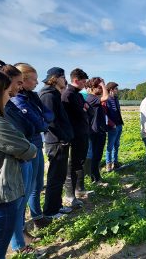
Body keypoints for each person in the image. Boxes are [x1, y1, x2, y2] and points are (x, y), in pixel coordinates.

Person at [0, 69, 37, 259]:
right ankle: (19, 244)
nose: (10, 94)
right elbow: (26, 148)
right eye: (6, 90)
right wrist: (28, 147)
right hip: (2, 192)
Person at [12, 63, 54, 229]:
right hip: (28, 148)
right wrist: (42, 121)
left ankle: (37, 216)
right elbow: (41, 125)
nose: (37, 83)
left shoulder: (33, 97)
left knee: (37, 185)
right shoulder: (18, 101)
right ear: (23, 80)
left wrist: (42, 120)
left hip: (37, 144)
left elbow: (49, 115)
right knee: (26, 189)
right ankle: (21, 229)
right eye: (34, 79)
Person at [39, 67, 74, 218]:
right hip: (56, 142)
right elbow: (51, 122)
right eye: (63, 77)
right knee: (54, 177)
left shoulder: (54, 94)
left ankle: (57, 206)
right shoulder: (48, 95)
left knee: (59, 176)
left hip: (60, 141)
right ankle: (50, 211)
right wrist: (63, 137)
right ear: (56, 78)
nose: (64, 80)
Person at [61, 68, 90, 207]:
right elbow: (81, 112)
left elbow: (87, 109)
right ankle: (69, 195)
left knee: (79, 163)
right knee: (73, 165)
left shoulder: (77, 94)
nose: (85, 84)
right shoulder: (68, 95)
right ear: (76, 80)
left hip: (82, 133)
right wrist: (84, 109)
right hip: (75, 135)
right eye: (83, 82)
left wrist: (85, 109)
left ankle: (78, 190)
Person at [86, 77, 109, 182]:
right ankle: (95, 178)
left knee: (97, 156)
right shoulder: (91, 97)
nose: (101, 90)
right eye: (99, 88)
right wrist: (103, 85)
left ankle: (96, 177)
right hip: (95, 132)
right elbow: (106, 97)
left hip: (99, 130)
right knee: (96, 156)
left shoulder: (93, 98)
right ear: (93, 88)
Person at [104, 82, 124, 172]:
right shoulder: (106, 99)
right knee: (110, 146)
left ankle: (115, 162)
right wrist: (112, 124)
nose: (117, 90)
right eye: (116, 89)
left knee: (117, 145)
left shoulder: (116, 99)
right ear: (111, 89)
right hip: (112, 127)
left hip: (119, 125)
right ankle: (108, 164)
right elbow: (105, 115)